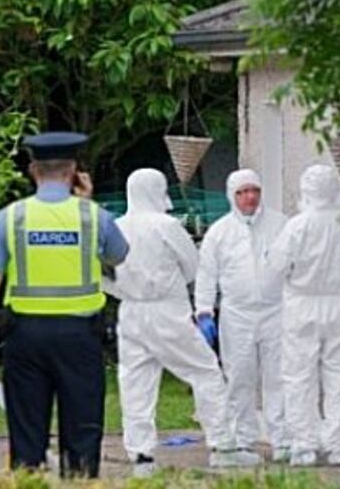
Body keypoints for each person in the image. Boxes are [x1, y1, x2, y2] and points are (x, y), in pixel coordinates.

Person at [0, 132, 128, 478]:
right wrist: (87, 202)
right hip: (80, 337)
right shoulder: (93, 216)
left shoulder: (10, 218)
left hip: (26, 338)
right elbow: (119, 255)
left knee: (27, 436)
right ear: (73, 171)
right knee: (83, 431)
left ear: (32, 170)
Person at [104, 168, 261, 474]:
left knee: (135, 382)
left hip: (131, 312)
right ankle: (222, 445)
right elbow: (192, 265)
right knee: (205, 371)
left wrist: (125, 291)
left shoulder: (115, 227)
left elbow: (103, 275)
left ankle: (141, 455)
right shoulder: (166, 225)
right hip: (168, 310)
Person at [195, 169, 290, 461]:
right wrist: (203, 311)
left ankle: (283, 440)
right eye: (242, 192)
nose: (249, 197)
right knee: (240, 377)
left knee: (278, 377)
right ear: (232, 196)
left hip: (277, 311)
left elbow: (296, 264)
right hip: (237, 314)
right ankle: (243, 439)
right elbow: (207, 273)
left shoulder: (280, 225)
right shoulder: (220, 232)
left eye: (254, 191)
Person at [267, 164, 340, 467]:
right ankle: (338, 447)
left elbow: (277, 265)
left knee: (298, 376)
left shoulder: (298, 225)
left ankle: (303, 445)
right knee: (339, 376)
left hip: (302, 305)